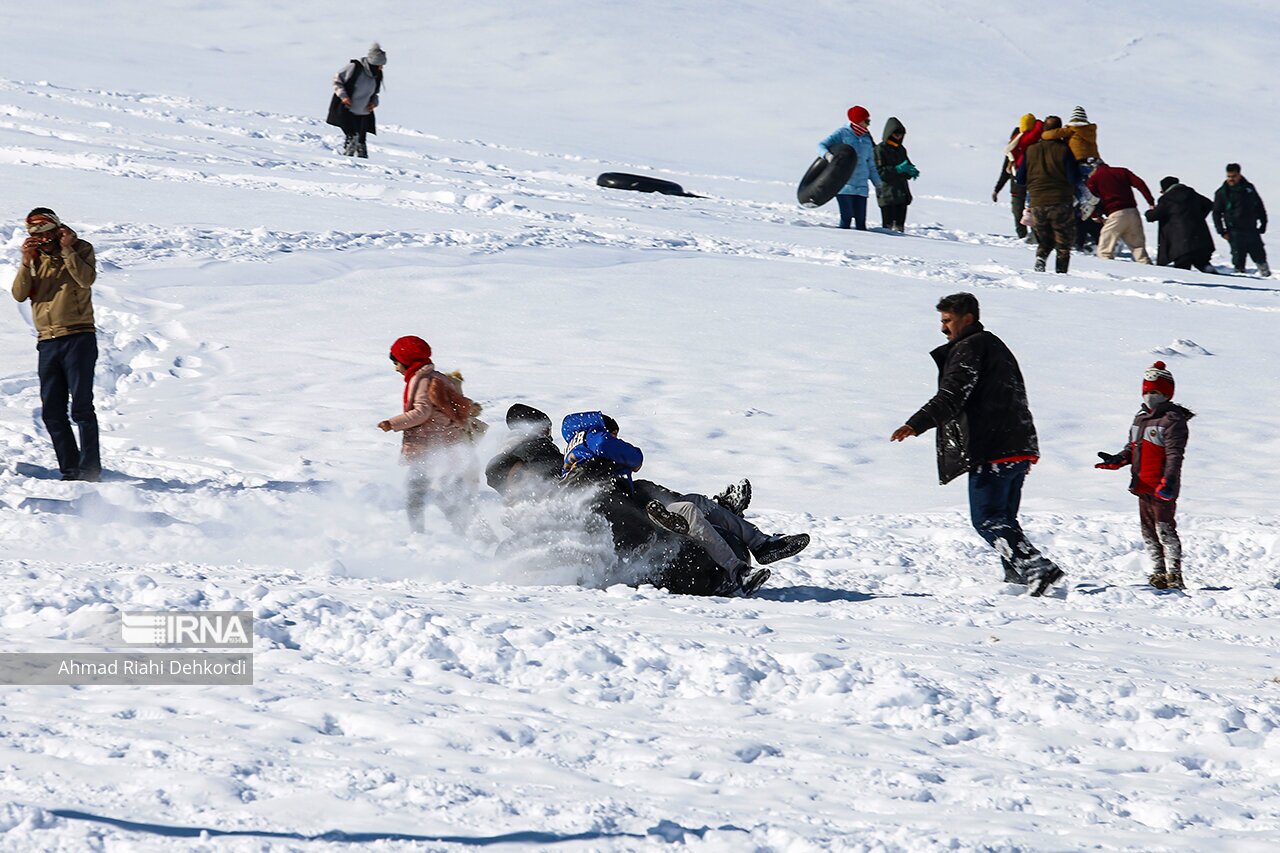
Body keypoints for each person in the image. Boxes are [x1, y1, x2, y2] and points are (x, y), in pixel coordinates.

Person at [890, 292, 1065, 596]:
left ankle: (1036, 566)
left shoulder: (971, 347)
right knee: (1004, 519)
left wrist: (915, 424)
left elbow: (953, 395)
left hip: (993, 447)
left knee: (987, 519)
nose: (943, 328)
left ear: (967, 318)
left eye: (948, 320)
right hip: (1016, 445)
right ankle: (1018, 578)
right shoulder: (993, 346)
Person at [10, 208, 101, 481]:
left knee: (82, 408)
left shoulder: (81, 248)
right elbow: (18, 294)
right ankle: (71, 468)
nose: (42, 238)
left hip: (78, 335)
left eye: (46, 232)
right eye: (35, 234)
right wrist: (26, 261)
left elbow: (86, 280)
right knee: (52, 410)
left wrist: (67, 250)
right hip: (47, 340)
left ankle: (90, 469)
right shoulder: (35, 258)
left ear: (57, 229)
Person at [1095, 362, 1193, 590]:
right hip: (1142, 484)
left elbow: (1174, 456)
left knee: (1165, 529)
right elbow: (1132, 448)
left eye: (1155, 392)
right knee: (1148, 532)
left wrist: (1168, 482)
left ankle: (1175, 574)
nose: (1150, 396)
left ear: (1166, 394)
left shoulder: (1172, 420)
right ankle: (1158, 573)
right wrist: (1117, 460)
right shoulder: (1140, 419)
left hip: (1162, 486)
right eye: (1147, 391)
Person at [377, 335, 484, 535]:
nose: (396, 368)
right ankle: (469, 530)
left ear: (407, 361)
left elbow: (422, 412)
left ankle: (419, 533)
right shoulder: (435, 377)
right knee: (449, 491)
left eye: (397, 363)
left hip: (431, 447)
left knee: (415, 491)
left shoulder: (424, 381)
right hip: (445, 446)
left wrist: (392, 423)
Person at [1017, 116, 1080, 273]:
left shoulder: (1031, 150)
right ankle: (1061, 272)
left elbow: (1020, 178)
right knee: (1063, 243)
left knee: (1045, 240)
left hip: (1037, 203)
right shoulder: (1064, 150)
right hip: (1061, 202)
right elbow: (1073, 177)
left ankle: (1040, 259)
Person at [817, 106, 883, 230]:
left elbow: (870, 164)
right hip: (844, 186)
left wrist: (878, 184)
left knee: (861, 223)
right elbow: (821, 145)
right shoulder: (842, 133)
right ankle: (844, 244)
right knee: (846, 218)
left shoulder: (867, 139)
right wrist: (828, 156)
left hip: (862, 188)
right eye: (867, 121)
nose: (868, 125)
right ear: (858, 120)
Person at [1085, 160, 1155, 264]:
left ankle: (1106, 274)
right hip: (1133, 213)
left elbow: (1091, 199)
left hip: (1116, 214)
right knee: (1139, 249)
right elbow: (1140, 184)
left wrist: (1095, 215)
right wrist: (1150, 202)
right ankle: (1150, 272)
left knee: (1105, 250)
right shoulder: (1122, 171)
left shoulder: (1094, 179)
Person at [327, 43, 386, 159]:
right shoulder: (355, 67)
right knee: (352, 135)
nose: (381, 68)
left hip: (363, 111)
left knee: (361, 141)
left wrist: (373, 103)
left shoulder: (378, 74)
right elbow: (337, 80)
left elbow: (375, 92)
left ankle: (362, 160)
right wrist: (343, 96)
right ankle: (347, 159)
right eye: (379, 65)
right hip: (346, 107)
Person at [1146, 177, 1216, 272]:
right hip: (1200, 240)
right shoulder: (1191, 193)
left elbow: (1153, 216)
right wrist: (1198, 217)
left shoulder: (1166, 199)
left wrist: (1149, 212)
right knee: (1202, 263)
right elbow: (1209, 204)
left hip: (1181, 243)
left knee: (1182, 270)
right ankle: (1218, 279)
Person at [1212, 163, 1270, 276]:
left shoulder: (1249, 189)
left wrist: (1263, 223)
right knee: (1238, 258)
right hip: (1234, 231)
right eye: (1228, 176)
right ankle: (1240, 279)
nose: (1231, 179)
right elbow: (1216, 213)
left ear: (1239, 175)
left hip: (1251, 229)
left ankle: (1266, 277)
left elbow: (1259, 206)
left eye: (1233, 176)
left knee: (1260, 256)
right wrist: (1221, 231)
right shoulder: (1222, 192)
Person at [873, 116, 919, 232]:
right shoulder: (880, 150)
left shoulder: (901, 150)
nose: (899, 137)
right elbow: (879, 172)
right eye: (896, 134)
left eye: (901, 134)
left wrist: (910, 171)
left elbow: (906, 166)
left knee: (899, 228)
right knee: (888, 229)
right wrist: (897, 169)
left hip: (901, 195)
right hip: (887, 195)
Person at [993, 128, 1030, 241]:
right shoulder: (1012, 154)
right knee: (1024, 216)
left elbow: (1005, 172)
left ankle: (1026, 239)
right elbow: (1005, 172)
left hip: (1020, 190)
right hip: (1025, 190)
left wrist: (997, 189)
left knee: (1020, 216)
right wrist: (997, 189)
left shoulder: (1027, 151)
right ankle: (1026, 239)